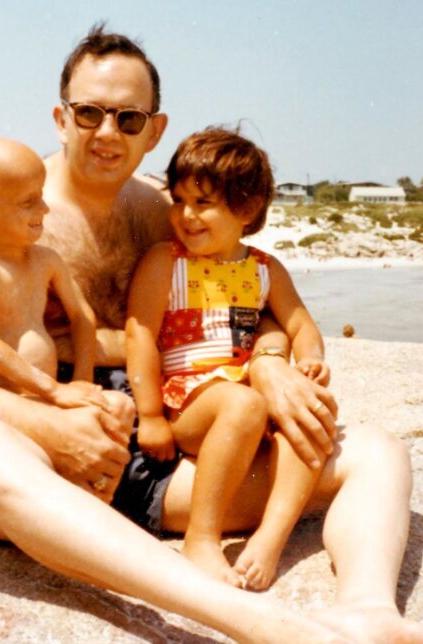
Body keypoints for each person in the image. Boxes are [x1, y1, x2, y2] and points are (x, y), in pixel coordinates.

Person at [0, 23, 423, 644]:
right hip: (48, 457)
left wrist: (270, 364)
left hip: (162, 457)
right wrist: (51, 430)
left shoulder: (162, 214)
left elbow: (241, 305)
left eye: (128, 117)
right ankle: (258, 625)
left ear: (154, 128)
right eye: (89, 112)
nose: (106, 130)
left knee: (373, 451)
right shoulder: (8, 208)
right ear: (61, 115)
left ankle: (370, 619)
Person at [126, 127, 329, 591]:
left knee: (311, 413)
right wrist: (151, 415)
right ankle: (202, 537)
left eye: (203, 203)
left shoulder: (264, 269)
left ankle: (269, 539)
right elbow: (140, 336)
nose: (186, 215)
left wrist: (311, 362)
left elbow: (302, 327)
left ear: (246, 209)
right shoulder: (165, 261)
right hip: (189, 401)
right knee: (244, 405)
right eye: (179, 200)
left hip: (244, 394)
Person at [0, 136, 131, 498]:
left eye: (42, 196)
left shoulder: (45, 260)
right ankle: (80, 502)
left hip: (49, 398)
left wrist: (82, 381)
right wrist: (54, 390)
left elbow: (82, 316)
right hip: (10, 406)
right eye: (29, 202)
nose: (44, 209)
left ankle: (96, 498)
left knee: (119, 406)